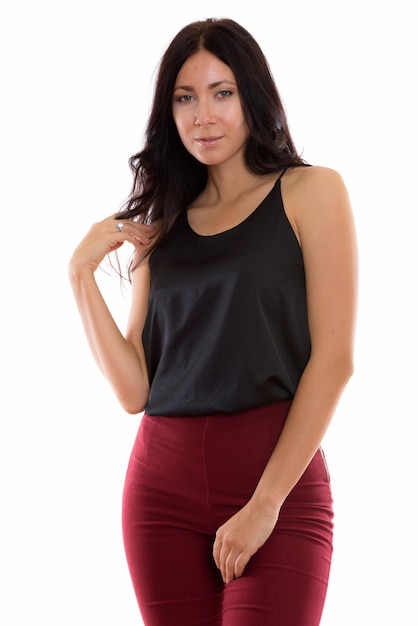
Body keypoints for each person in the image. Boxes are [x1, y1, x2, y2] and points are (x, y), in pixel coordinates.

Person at [68, 17, 358, 626]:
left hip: (274, 486)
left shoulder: (311, 193)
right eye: (185, 97)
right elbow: (133, 391)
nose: (204, 115)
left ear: (253, 95)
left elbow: (333, 362)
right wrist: (79, 276)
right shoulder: (163, 224)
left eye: (222, 93)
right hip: (160, 497)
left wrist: (264, 505)